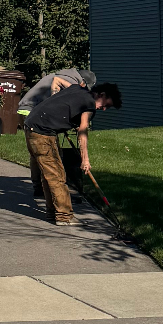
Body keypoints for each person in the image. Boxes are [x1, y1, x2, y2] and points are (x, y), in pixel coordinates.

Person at [23, 79, 122, 227]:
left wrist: (55, 108)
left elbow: (57, 81)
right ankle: (64, 216)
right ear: (101, 94)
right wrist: (85, 160)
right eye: (106, 104)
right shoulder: (89, 104)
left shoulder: (78, 88)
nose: (104, 109)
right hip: (42, 132)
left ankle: (53, 213)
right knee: (56, 175)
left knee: (49, 174)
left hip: (35, 126)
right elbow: (83, 131)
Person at [17, 66, 95, 199]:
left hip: (25, 111)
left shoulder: (65, 75)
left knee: (37, 154)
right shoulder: (72, 83)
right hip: (33, 113)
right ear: (83, 82)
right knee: (52, 155)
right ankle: (55, 193)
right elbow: (59, 94)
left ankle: (39, 188)